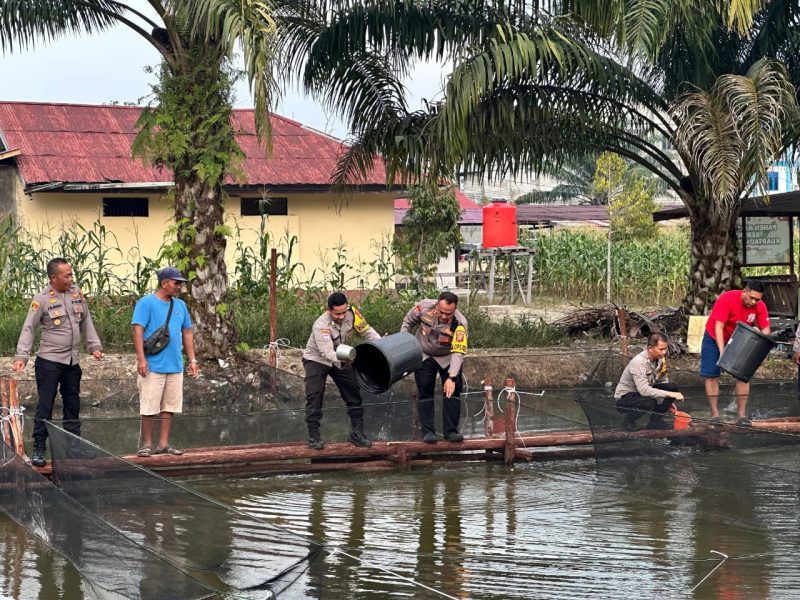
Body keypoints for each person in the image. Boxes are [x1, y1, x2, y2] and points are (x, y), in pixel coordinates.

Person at [13, 257, 104, 467]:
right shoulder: (42, 299)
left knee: (73, 404)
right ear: (53, 278)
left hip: (72, 362)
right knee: (45, 406)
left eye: (71, 274)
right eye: (67, 275)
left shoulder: (76, 293)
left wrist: (94, 347)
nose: (71, 278)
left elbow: (86, 321)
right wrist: (21, 356)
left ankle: (74, 447)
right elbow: (29, 328)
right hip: (49, 362)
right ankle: (38, 447)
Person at [132, 267, 199, 457]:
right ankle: (146, 445)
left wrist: (192, 360)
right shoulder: (146, 303)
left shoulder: (181, 305)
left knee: (170, 406)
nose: (179, 287)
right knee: (149, 406)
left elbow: (187, 332)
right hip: (153, 364)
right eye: (176, 283)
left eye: (180, 283)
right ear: (164, 283)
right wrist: (141, 359)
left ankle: (163, 444)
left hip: (175, 365)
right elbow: (138, 330)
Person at [303, 292, 380, 450]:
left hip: (340, 354)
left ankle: (357, 434)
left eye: (344, 312)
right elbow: (326, 353)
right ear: (329, 310)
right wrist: (345, 359)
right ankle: (314, 437)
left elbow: (366, 331)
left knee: (353, 390)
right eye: (337, 313)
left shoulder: (353, 313)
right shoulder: (321, 325)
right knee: (315, 395)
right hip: (317, 359)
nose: (342, 316)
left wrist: (381, 342)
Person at [401, 291, 468, 443]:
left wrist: (451, 377)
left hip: (448, 356)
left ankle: (450, 431)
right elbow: (408, 322)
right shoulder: (423, 307)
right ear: (437, 304)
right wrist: (404, 342)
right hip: (425, 353)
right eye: (442, 311)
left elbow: (458, 352)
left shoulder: (460, 323)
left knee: (453, 389)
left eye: (449, 313)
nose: (445, 316)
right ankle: (428, 432)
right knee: (425, 388)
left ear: (455, 309)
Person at [701, 280, 769, 425]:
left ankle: (741, 416)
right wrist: (722, 352)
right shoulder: (727, 299)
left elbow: (766, 330)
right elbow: (719, 327)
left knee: (743, 376)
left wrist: (760, 335)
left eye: (757, 299)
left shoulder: (759, 306)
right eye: (751, 297)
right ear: (744, 291)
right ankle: (715, 415)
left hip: (739, 339)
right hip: (714, 336)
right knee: (712, 375)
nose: (753, 302)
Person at [614, 332, 684, 430]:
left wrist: (667, 401)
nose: (664, 352)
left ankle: (654, 422)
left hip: (643, 392)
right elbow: (644, 390)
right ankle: (628, 420)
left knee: (672, 388)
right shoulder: (639, 363)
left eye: (665, 348)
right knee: (648, 402)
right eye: (661, 349)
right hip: (626, 397)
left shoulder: (660, 358)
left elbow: (663, 379)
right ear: (650, 348)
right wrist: (669, 394)